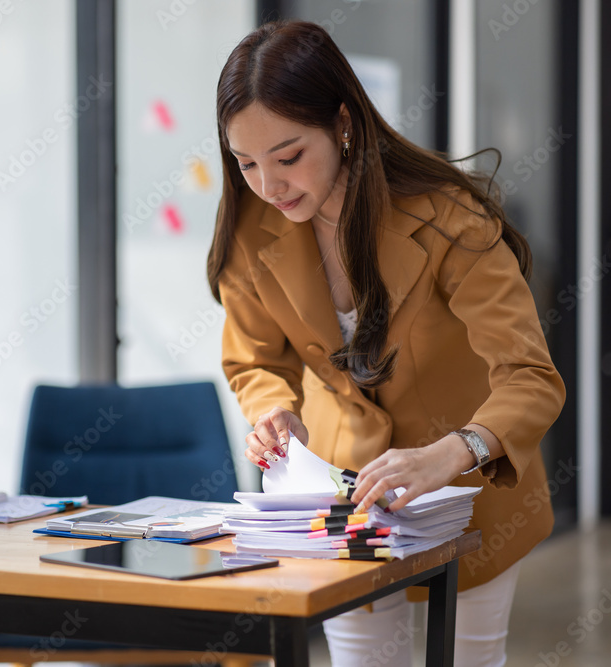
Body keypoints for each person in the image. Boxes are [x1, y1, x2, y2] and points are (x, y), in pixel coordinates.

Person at [209, 20, 565, 667]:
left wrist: (455, 451)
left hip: (471, 497)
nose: (268, 184)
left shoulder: (450, 218)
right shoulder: (250, 230)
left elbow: (530, 376)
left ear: (343, 123)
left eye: (288, 156)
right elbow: (255, 358)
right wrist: (273, 409)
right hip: (344, 501)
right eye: (246, 161)